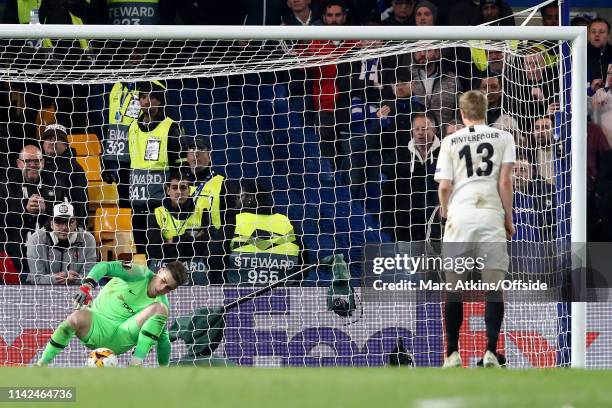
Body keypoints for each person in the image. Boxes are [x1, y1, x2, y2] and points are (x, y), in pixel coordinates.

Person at [435, 90, 515, 368]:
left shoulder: (450, 141)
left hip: (460, 217)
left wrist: (446, 211)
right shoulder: (504, 137)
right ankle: (491, 352)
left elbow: (444, 186)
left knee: (453, 288)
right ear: (485, 110)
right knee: (494, 288)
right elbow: (505, 182)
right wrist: (508, 219)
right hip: (490, 215)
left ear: (462, 113)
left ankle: (452, 354)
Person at [36, 260, 188, 366]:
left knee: (160, 308)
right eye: (163, 281)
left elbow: (163, 341)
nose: (162, 289)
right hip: (95, 323)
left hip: (121, 337)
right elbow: (105, 266)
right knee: (75, 318)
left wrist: (164, 370)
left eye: (169, 288)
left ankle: (135, 366)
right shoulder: (138, 273)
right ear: (160, 270)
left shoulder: (161, 304)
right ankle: (41, 364)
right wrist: (86, 286)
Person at [127, 80, 183, 255]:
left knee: (159, 256)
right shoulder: (132, 128)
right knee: (142, 256)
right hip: (137, 204)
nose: (145, 101)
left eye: (150, 97)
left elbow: (180, 168)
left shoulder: (171, 128)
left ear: (159, 101)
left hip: (161, 207)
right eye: (142, 97)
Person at [0, 145, 68, 280]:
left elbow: (66, 221)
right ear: (19, 164)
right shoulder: (5, 188)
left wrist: (46, 210)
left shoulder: (56, 186)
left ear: (42, 163)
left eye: (36, 161)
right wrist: (24, 210)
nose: (32, 165)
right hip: (13, 255)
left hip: (47, 256)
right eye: (28, 161)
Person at [146, 171, 220, 284]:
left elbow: (203, 247)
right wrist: (189, 239)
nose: (179, 192)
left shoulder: (202, 212)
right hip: (164, 263)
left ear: (189, 191)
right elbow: (155, 250)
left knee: (201, 263)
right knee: (154, 263)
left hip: (193, 264)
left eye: (183, 188)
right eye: (174, 188)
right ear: (168, 190)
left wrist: (173, 240)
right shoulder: (156, 214)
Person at [380, 112, 441, 242]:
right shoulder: (400, 156)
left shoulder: (445, 153)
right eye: (417, 129)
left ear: (434, 130)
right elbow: (388, 191)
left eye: (424, 129)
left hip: (438, 224)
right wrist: (388, 223)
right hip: (405, 225)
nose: (420, 133)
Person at [26, 202, 96, 285]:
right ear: (51, 224)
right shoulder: (36, 240)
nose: (64, 227)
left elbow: (89, 277)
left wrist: (74, 279)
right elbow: (35, 278)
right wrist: (56, 278)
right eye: (58, 221)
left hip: (76, 289)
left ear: (75, 223)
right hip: (42, 291)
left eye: (69, 221)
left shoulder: (88, 239)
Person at [40, 124, 89, 224]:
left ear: (66, 145)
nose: (52, 142)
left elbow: (79, 205)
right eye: (48, 138)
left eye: (57, 138)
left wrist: (79, 227)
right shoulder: (35, 164)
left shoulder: (75, 169)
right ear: (42, 143)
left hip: (64, 225)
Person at [183, 136, 226, 231]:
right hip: (180, 240)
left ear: (209, 156)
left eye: (201, 149)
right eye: (192, 149)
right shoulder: (177, 182)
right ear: (187, 155)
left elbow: (230, 217)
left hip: (210, 241)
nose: (196, 153)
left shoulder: (222, 182)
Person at [587, 18, 611, 94]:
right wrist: (591, 90)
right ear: (589, 35)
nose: (597, 35)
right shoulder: (579, 55)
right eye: (593, 32)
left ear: (608, 35)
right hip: (586, 104)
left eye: (602, 32)